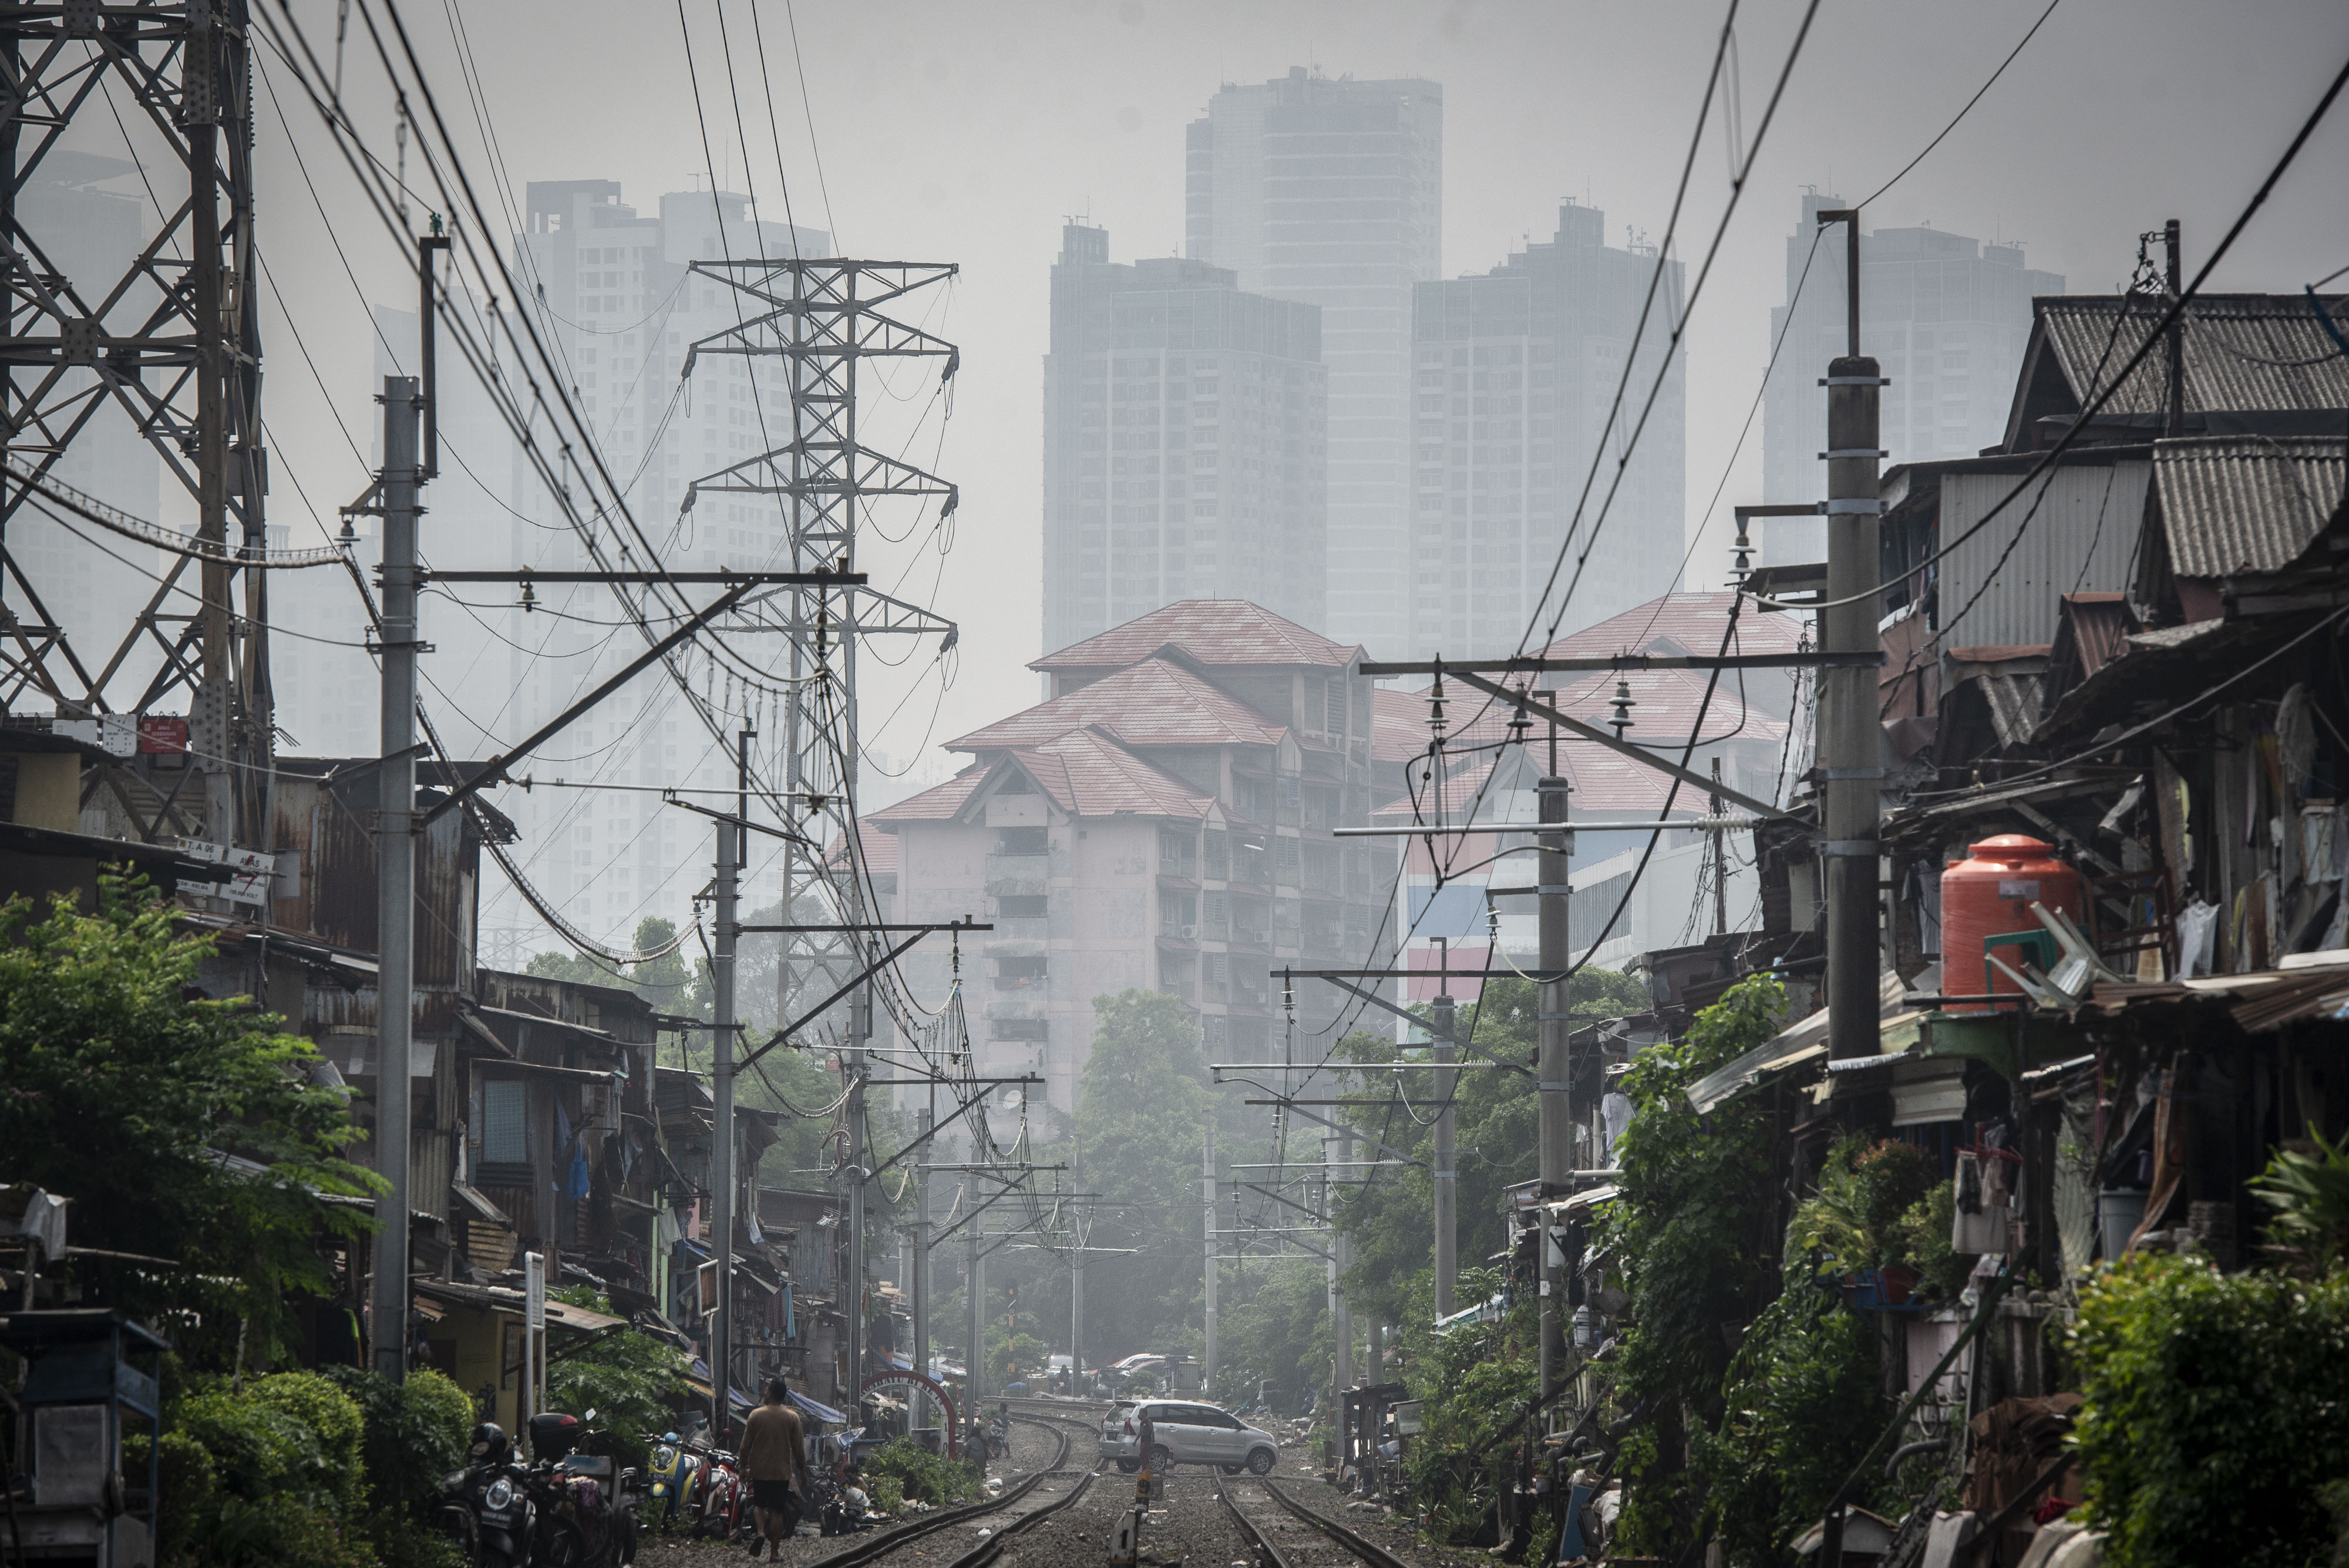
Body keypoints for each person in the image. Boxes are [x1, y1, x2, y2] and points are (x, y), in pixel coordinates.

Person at [737, 1375, 809, 1559]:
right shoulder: (793, 1418)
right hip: (781, 1472)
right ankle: (774, 1553)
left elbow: (745, 1446)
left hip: (759, 1470)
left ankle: (760, 1532)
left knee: (759, 1506)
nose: (765, 1393)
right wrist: (801, 1470)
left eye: (767, 1390)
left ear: (770, 1393)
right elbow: (799, 1449)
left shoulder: (756, 1415)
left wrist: (743, 1468)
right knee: (777, 1511)